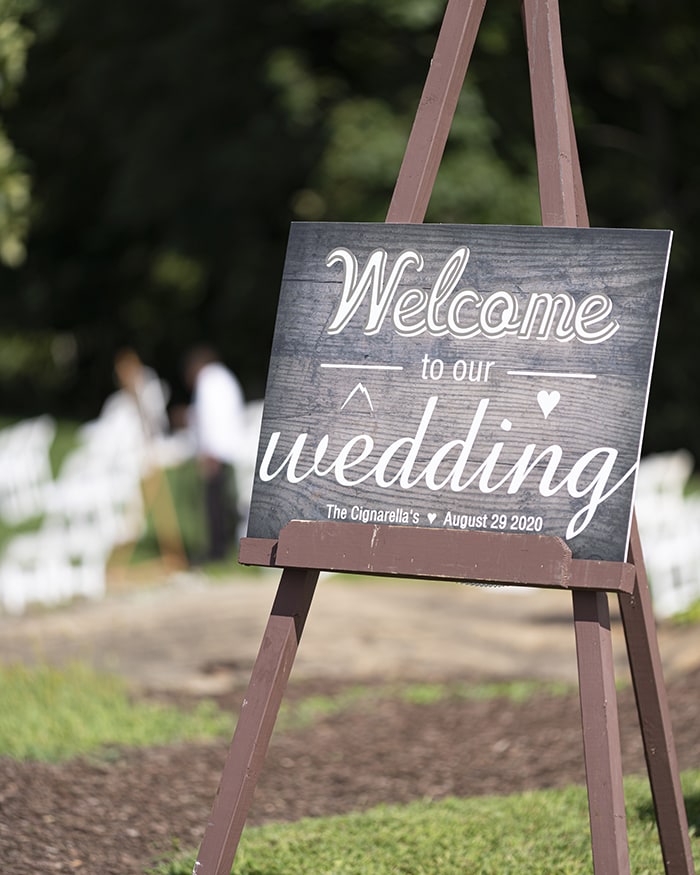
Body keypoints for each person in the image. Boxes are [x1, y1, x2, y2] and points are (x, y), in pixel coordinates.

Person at [184, 346, 246, 561]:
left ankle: (217, 550)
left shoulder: (208, 381)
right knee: (226, 501)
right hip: (230, 448)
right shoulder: (224, 378)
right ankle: (226, 546)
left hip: (216, 450)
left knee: (215, 504)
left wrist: (208, 451)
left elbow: (208, 418)